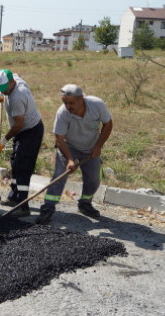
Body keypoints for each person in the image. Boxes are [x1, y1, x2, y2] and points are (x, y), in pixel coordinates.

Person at [36, 84, 113, 225]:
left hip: (90, 149)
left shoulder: (97, 105)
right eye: (65, 102)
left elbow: (108, 124)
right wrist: (70, 159)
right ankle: (47, 208)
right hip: (68, 147)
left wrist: (98, 146)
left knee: (94, 180)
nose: (68, 106)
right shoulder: (63, 113)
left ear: (81, 99)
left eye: (71, 103)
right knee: (59, 176)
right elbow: (59, 139)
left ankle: (85, 203)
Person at [0, 69, 44, 217]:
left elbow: (18, 124)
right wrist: (2, 94)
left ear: (12, 83)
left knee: (23, 168)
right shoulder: (14, 79)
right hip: (22, 132)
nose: (4, 92)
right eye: (1, 89)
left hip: (30, 131)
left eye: (5, 89)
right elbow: (16, 73)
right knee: (15, 163)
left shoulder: (17, 97)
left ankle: (23, 205)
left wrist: (4, 140)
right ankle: (14, 196)